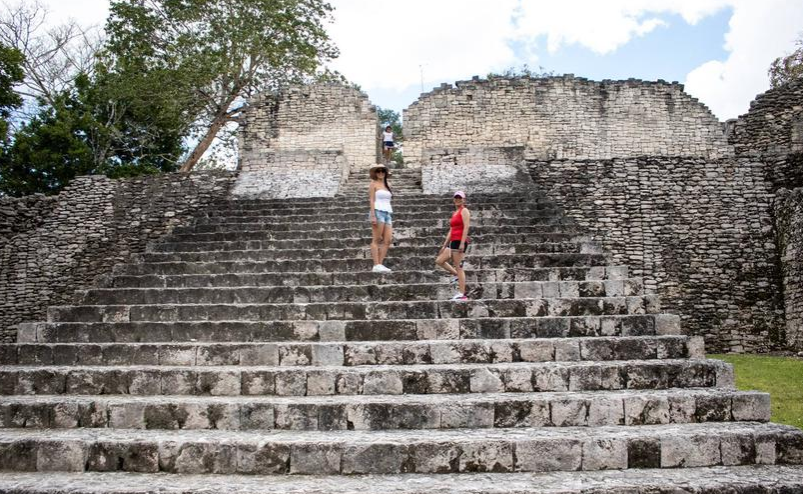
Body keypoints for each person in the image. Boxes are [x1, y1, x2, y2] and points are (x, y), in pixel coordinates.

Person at [436, 190, 471, 300]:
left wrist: (462, 242)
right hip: (453, 242)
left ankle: (462, 294)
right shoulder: (455, 213)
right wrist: (444, 245)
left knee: (459, 267)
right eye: (456, 198)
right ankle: (457, 276)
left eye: (460, 198)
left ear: (463, 199)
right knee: (439, 261)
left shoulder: (464, 211)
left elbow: (466, 227)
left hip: (460, 241)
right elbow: (451, 230)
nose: (457, 199)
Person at [369, 163, 393, 273]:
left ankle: (380, 264)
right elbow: (371, 200)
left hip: (387, 212)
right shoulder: (373, 184)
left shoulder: (388, 185)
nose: (380, 173)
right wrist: (373, 215)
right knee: (377, 239)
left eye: (382, 171)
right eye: (378, 171)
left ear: (385, 173)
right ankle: (376, 264)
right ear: (375, 173)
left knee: (388, 240)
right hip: (378, 211)